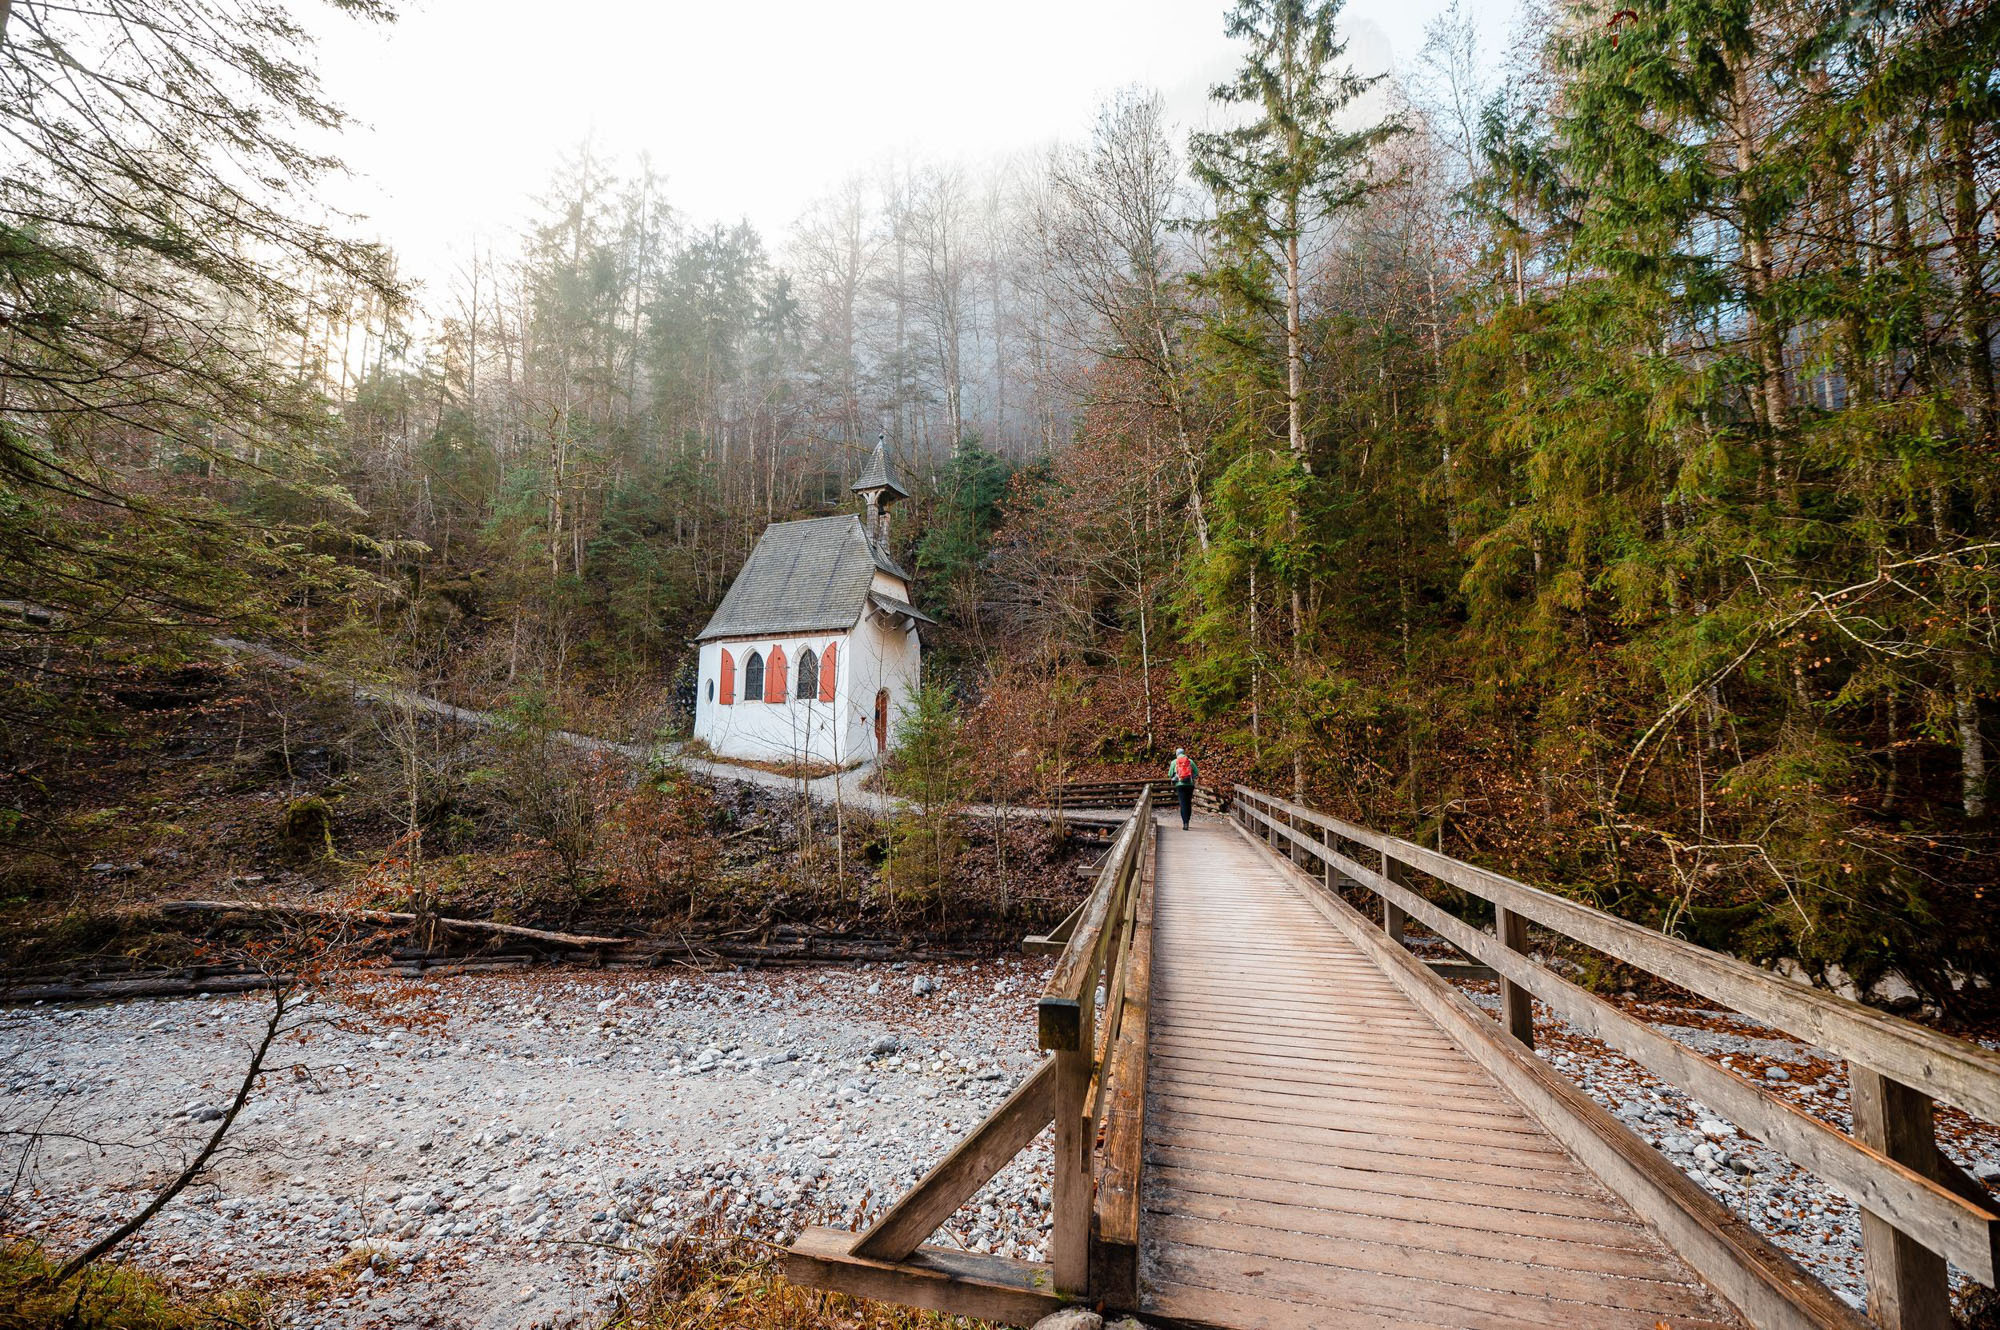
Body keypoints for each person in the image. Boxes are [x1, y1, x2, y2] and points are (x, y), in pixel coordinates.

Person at [1166, 747, 1198, 830]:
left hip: (1180, 785)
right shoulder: (1190, 761)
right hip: (1189, 784)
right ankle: (1188, 820)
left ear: (1176, 754)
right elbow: (1196, 772)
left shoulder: (1174, 762)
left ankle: (1185, 823)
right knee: (1188, 802)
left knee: (1183, 803)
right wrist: (1190, 777)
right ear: (1184, 753)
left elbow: (1170, 774)